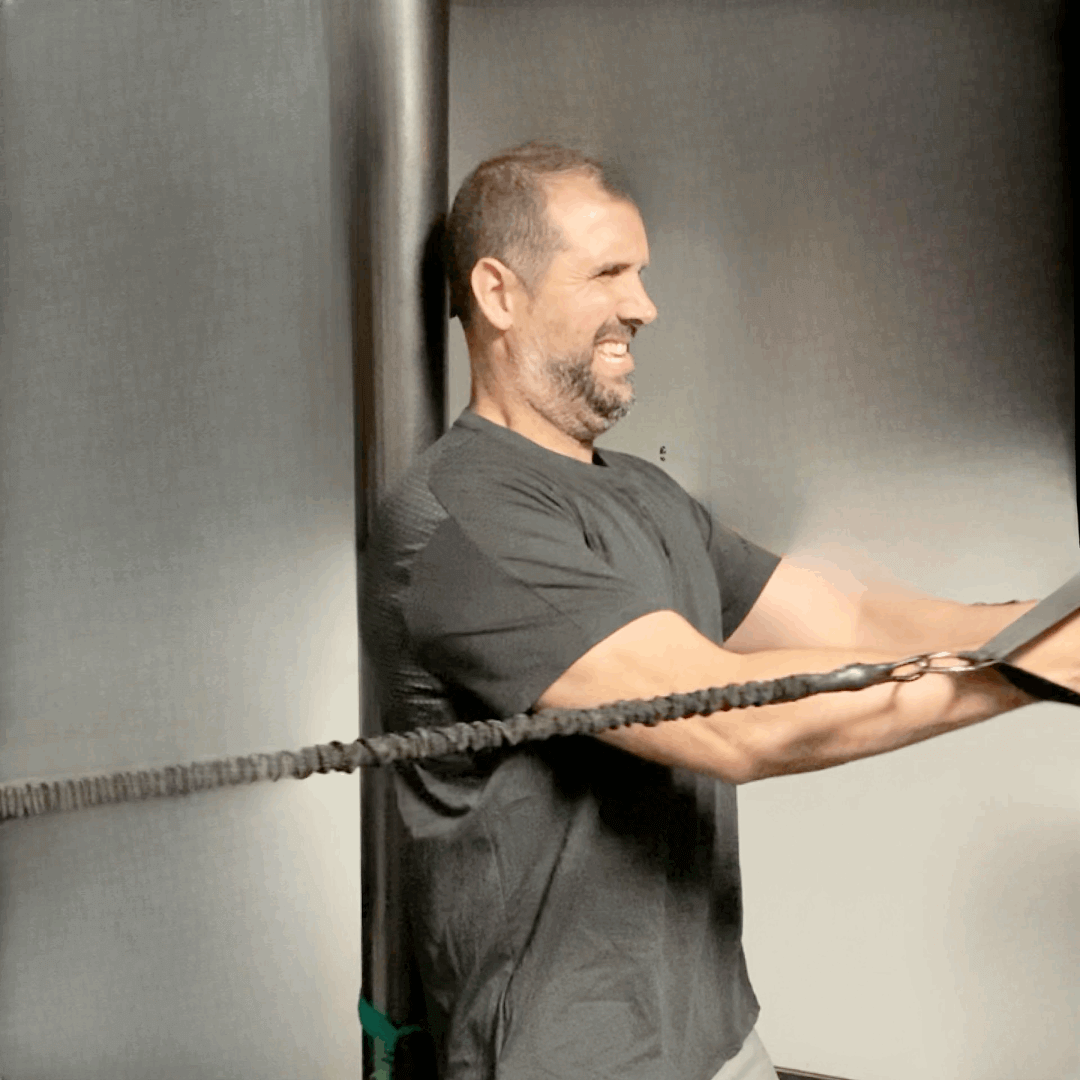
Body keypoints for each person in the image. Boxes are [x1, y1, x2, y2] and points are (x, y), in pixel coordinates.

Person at [361, 142, 1079, 1080]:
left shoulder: (645, 496)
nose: (643, 305)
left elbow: (850, 619)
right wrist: (1031, 673)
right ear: (498, 294)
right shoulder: (462, 521)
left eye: (642, 273)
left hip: (720, 1044)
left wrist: (1052, 618)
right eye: (609, 272)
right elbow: (724, 723)